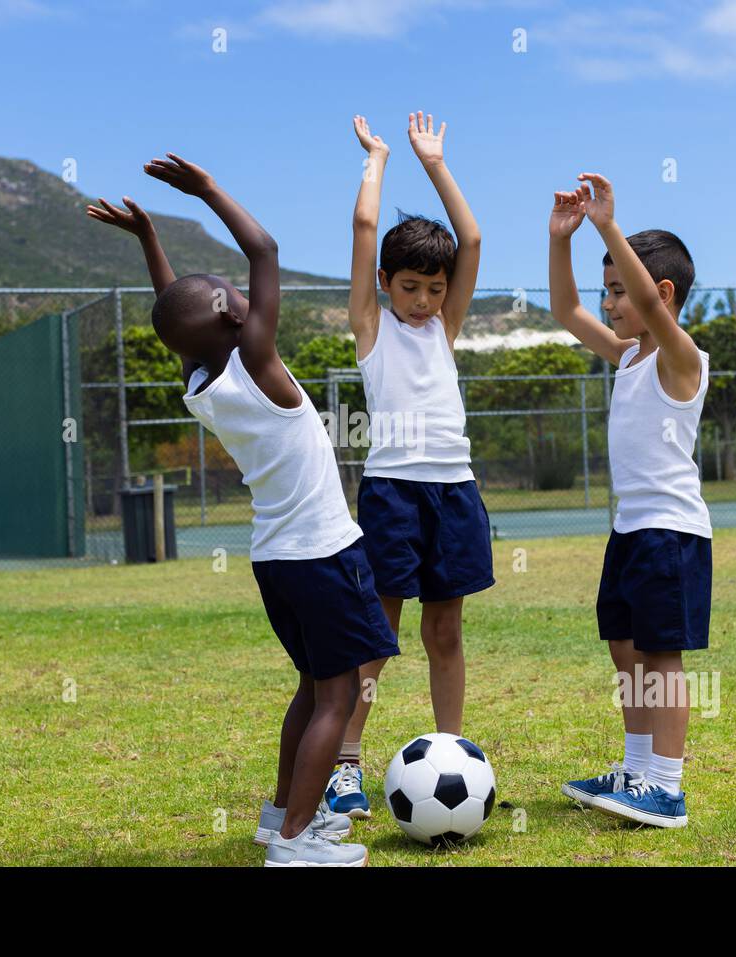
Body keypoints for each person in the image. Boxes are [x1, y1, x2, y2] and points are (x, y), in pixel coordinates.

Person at [86, 153, 399, 863]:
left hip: (277, 560)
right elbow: (264, 249)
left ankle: (279, 813)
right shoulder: (257, 360)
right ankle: (296, 840)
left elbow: (176, 312)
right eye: (230, 290)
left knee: (314, 688)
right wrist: (206, 191)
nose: (240, 288)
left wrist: (148, 240)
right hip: (323, 553)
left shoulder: (202, 377)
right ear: (233, 309)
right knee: (338, 698)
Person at [327, 113, 494, 818]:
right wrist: (380, 159)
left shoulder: (446, 326)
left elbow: (474, 237)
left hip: (454, 492)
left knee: (445, 631)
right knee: (379, 632)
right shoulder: (372, 327)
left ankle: (450, 753)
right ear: (386, 285)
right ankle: (344, 764)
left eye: (434, 288)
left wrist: (437, 162)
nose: (423, 301)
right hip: (393, 493)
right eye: (409, 287)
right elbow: (366, 233)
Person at [547, 173, 712, 828]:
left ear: (660, 294)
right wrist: (561, 239)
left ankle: (665, 787)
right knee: (623, 646)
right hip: (630, 530)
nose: (610, 303)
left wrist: (608, 226)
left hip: (671, 533)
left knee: (660, 654)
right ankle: (637, 770)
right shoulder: (626, 356)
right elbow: (564, 310)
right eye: (608, 290)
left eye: (619, 291)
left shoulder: (681, 357)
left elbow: (649, 302)